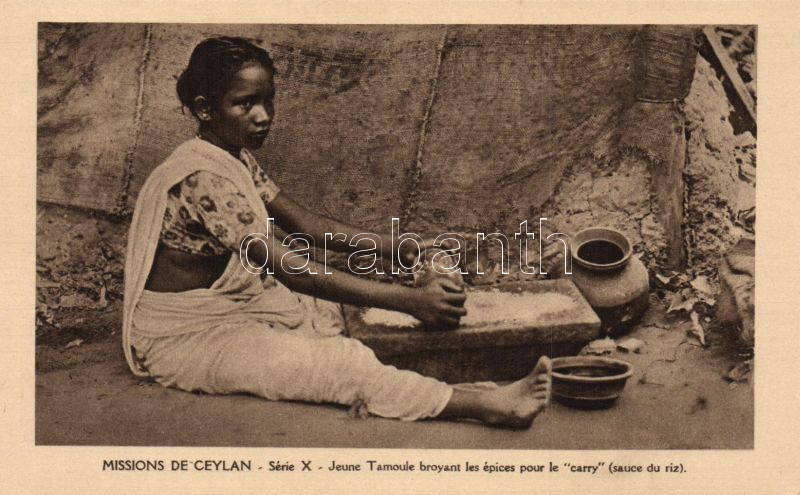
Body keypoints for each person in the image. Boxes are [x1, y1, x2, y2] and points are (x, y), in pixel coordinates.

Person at [124, 36, 555, 428]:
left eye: (268, 101)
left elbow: (308, 226)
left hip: (231, 307)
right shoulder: (204, 178)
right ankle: (486, 406)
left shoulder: (232, 156)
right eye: (246, 104)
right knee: (337, 362)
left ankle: (428, 376)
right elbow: (291, 270)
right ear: (205, 108)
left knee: (340, 311)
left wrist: (396, 249)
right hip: (186, 338)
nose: (264, 116)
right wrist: (408, 301)